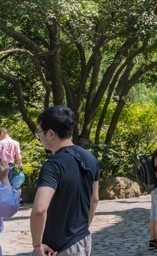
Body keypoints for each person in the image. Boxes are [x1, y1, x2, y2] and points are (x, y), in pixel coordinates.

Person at [32, 105, 100, 256]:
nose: (39, 137)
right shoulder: (90, 159)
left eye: (39, 133)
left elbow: (39, 209)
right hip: (82, 240)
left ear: (51, 134)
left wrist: (37, 246)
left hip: (57, 247)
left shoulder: (53, 165)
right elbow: (94, 199)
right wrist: (81, 231)